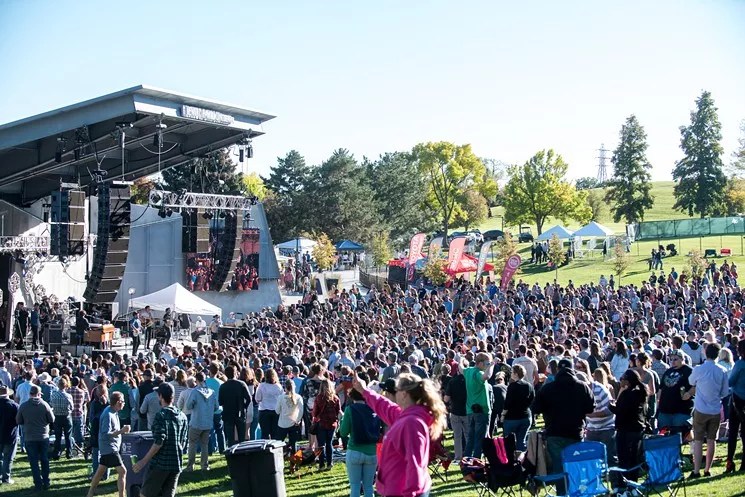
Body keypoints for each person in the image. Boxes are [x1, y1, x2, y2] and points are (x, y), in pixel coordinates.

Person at [351, 371, 447, 497]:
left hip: (405, 492)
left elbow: (415, 462)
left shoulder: (411, 422)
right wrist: (364, 391)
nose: (395, 394)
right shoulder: (407, 416)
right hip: (400, 489)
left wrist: (411, 493)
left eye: (397, 390)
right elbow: (386, 407)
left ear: (404, 394)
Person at [533, 359, 594, 493]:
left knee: (559, 467)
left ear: (558, 370)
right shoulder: (582, 387)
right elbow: (590, 407)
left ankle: (562, 493)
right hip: (575, 432)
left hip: (554, 432)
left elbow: (536, 407)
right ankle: (576, 492)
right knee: (575, 465)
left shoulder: (548, 388)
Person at [132, 383, 189, 497]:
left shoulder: (161, 416)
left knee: (144, 495)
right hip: (176, 463)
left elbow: (158, 443)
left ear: (161, 396)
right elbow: (183, 443)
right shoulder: (182, 416)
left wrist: (143, 462)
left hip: (160, 464)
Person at [686, 342, 729, 478]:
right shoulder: (722, 370)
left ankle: (696, 470)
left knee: (698, 440)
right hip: (715, 409)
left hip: (700, 408)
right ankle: (707, 469)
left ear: (705, 353)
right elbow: (725, 392)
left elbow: (691, 381)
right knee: (712, 440)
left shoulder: (699, 369)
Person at [339, 372, 379, 497]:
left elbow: (343, 432)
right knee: (369, 487)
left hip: (354, 450)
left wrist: (342, 419)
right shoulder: (374, 409)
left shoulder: (350, 410)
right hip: (371, 451)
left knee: (355, 486)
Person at [87, 391, 130, 497]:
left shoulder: (113, 411)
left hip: (109, 448)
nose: (124, 403)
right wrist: (121, 431)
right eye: (123, 401)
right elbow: (105, 434)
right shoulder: (108, 414)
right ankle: (122, 495)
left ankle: (90, 493)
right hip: (110, 448)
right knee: (123, 471)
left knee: (100, 472)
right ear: (118, 402)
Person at [609, 370, 647, 484]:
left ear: (627, 381)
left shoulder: (627, 394)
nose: (620, 381)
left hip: (625, 430)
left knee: (623, 458)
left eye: (622, 379)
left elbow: (620, 411)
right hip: (637, 429)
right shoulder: (641, 393)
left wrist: (610, 406)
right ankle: (633, 481)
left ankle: (624, 482)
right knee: (634, 458)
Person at [15, 384, 54, 491]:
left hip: (30, 437)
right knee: (44, 459)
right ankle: (46, 481)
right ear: (39, 394)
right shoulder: (44, 405)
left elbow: (18, 420)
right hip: (43, 436)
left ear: (30, 394)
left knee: (33, 461)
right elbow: (52, 419)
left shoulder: (23, 406)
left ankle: (37, 483)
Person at [186, 372, 219, 473]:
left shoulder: (195, 392)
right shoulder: (212, 392)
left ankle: (190, 466)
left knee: (192, 443)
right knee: (204, 444)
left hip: (196, 421)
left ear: (196, 380)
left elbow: (188, 406)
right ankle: (204, 465)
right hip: (207, 422)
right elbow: (216, 407)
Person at [463, 352, 494, 458]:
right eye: (487, 363)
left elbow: (461, 368)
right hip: (482, 410)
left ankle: (466, 460)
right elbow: (487, 376)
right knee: (480, 439)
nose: (488, 365)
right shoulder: (479, 373)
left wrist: (461, 360)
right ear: (480, 363)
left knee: (470, 438)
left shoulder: (468, 371)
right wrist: (492, 365)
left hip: (470, 410)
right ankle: (477, 460)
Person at [501, 364, 534, 452]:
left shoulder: (512, 386)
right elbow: (532, 399)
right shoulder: (529, 385)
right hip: (525, 415)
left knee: (508, 442)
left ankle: (511, 458)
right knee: (521, 441)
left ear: (516, 374)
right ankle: (522, 458)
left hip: (512, 417)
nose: (511, 374)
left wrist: (503, 415)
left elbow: (507, 402)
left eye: (512, 372)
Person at [312, 378, 342, 471]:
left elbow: (315, 412)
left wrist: (315, 418)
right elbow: (338, 411)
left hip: (321, 423)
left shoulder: (319, 398)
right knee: (329, 444)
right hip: (332, 424)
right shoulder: (335, 398)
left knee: (321, 445)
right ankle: (329, 463)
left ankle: (321, 465)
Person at [218, 365, 251, 447]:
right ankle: (242, 451)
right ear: (235, 373)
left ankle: (231, 451)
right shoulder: (241, 384)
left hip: (228, 413)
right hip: (240, 412)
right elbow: (249, 398)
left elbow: (220, 402)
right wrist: (244, 407)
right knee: (241, 437)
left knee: (230, 438)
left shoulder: (223, 386)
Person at [725, 340, 745, 473]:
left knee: (733, 432)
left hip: (737, 399)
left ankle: (730, 461)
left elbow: (731, 382)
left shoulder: (740, 364)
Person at [275, 379, 303, 455]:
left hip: (282, 423)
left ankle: (279, 456)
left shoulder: (281, 397)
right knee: (294, 443)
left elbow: (277, 411)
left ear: (285, 387)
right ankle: (294, 459)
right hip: (294, 423)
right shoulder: (298, 397)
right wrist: (298, 420)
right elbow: (301, 411)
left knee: (279, 442)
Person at [50, 376, 74, 459]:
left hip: (57, 417)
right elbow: (72, 407)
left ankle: (57, 453)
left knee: (58, 436)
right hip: (66, 417)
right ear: (65, 385)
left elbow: (51, 404)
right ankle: (69, 453)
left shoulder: (54, 395)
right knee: (68, 436)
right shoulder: (68, 396)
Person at [0, 385, 18, 485]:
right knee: (8, 457)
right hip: (10, 435)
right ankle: (6, 478)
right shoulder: (14, 406)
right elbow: (19, 420)